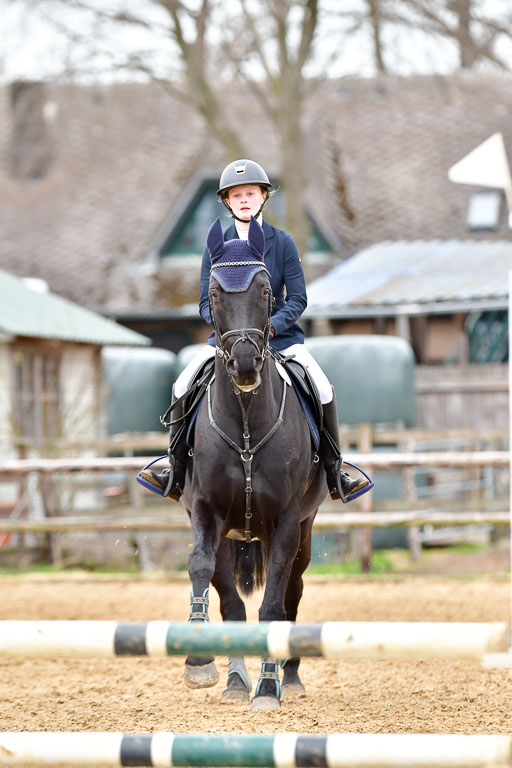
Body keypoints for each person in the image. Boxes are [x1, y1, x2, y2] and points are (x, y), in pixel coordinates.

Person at [141, 158, 370, 503]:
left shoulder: (283, 243)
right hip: (229, 344)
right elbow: (206, 301)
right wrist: (227, 331)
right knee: (182, 383)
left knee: (323, 388)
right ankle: (174, 470)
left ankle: (335, 470)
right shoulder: (215, 247)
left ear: (264, 196)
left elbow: (298, 299)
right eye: (236, 195)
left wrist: (270, 328)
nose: (244, 199)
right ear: (227, 202)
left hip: (281, 339)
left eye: (250, 193)